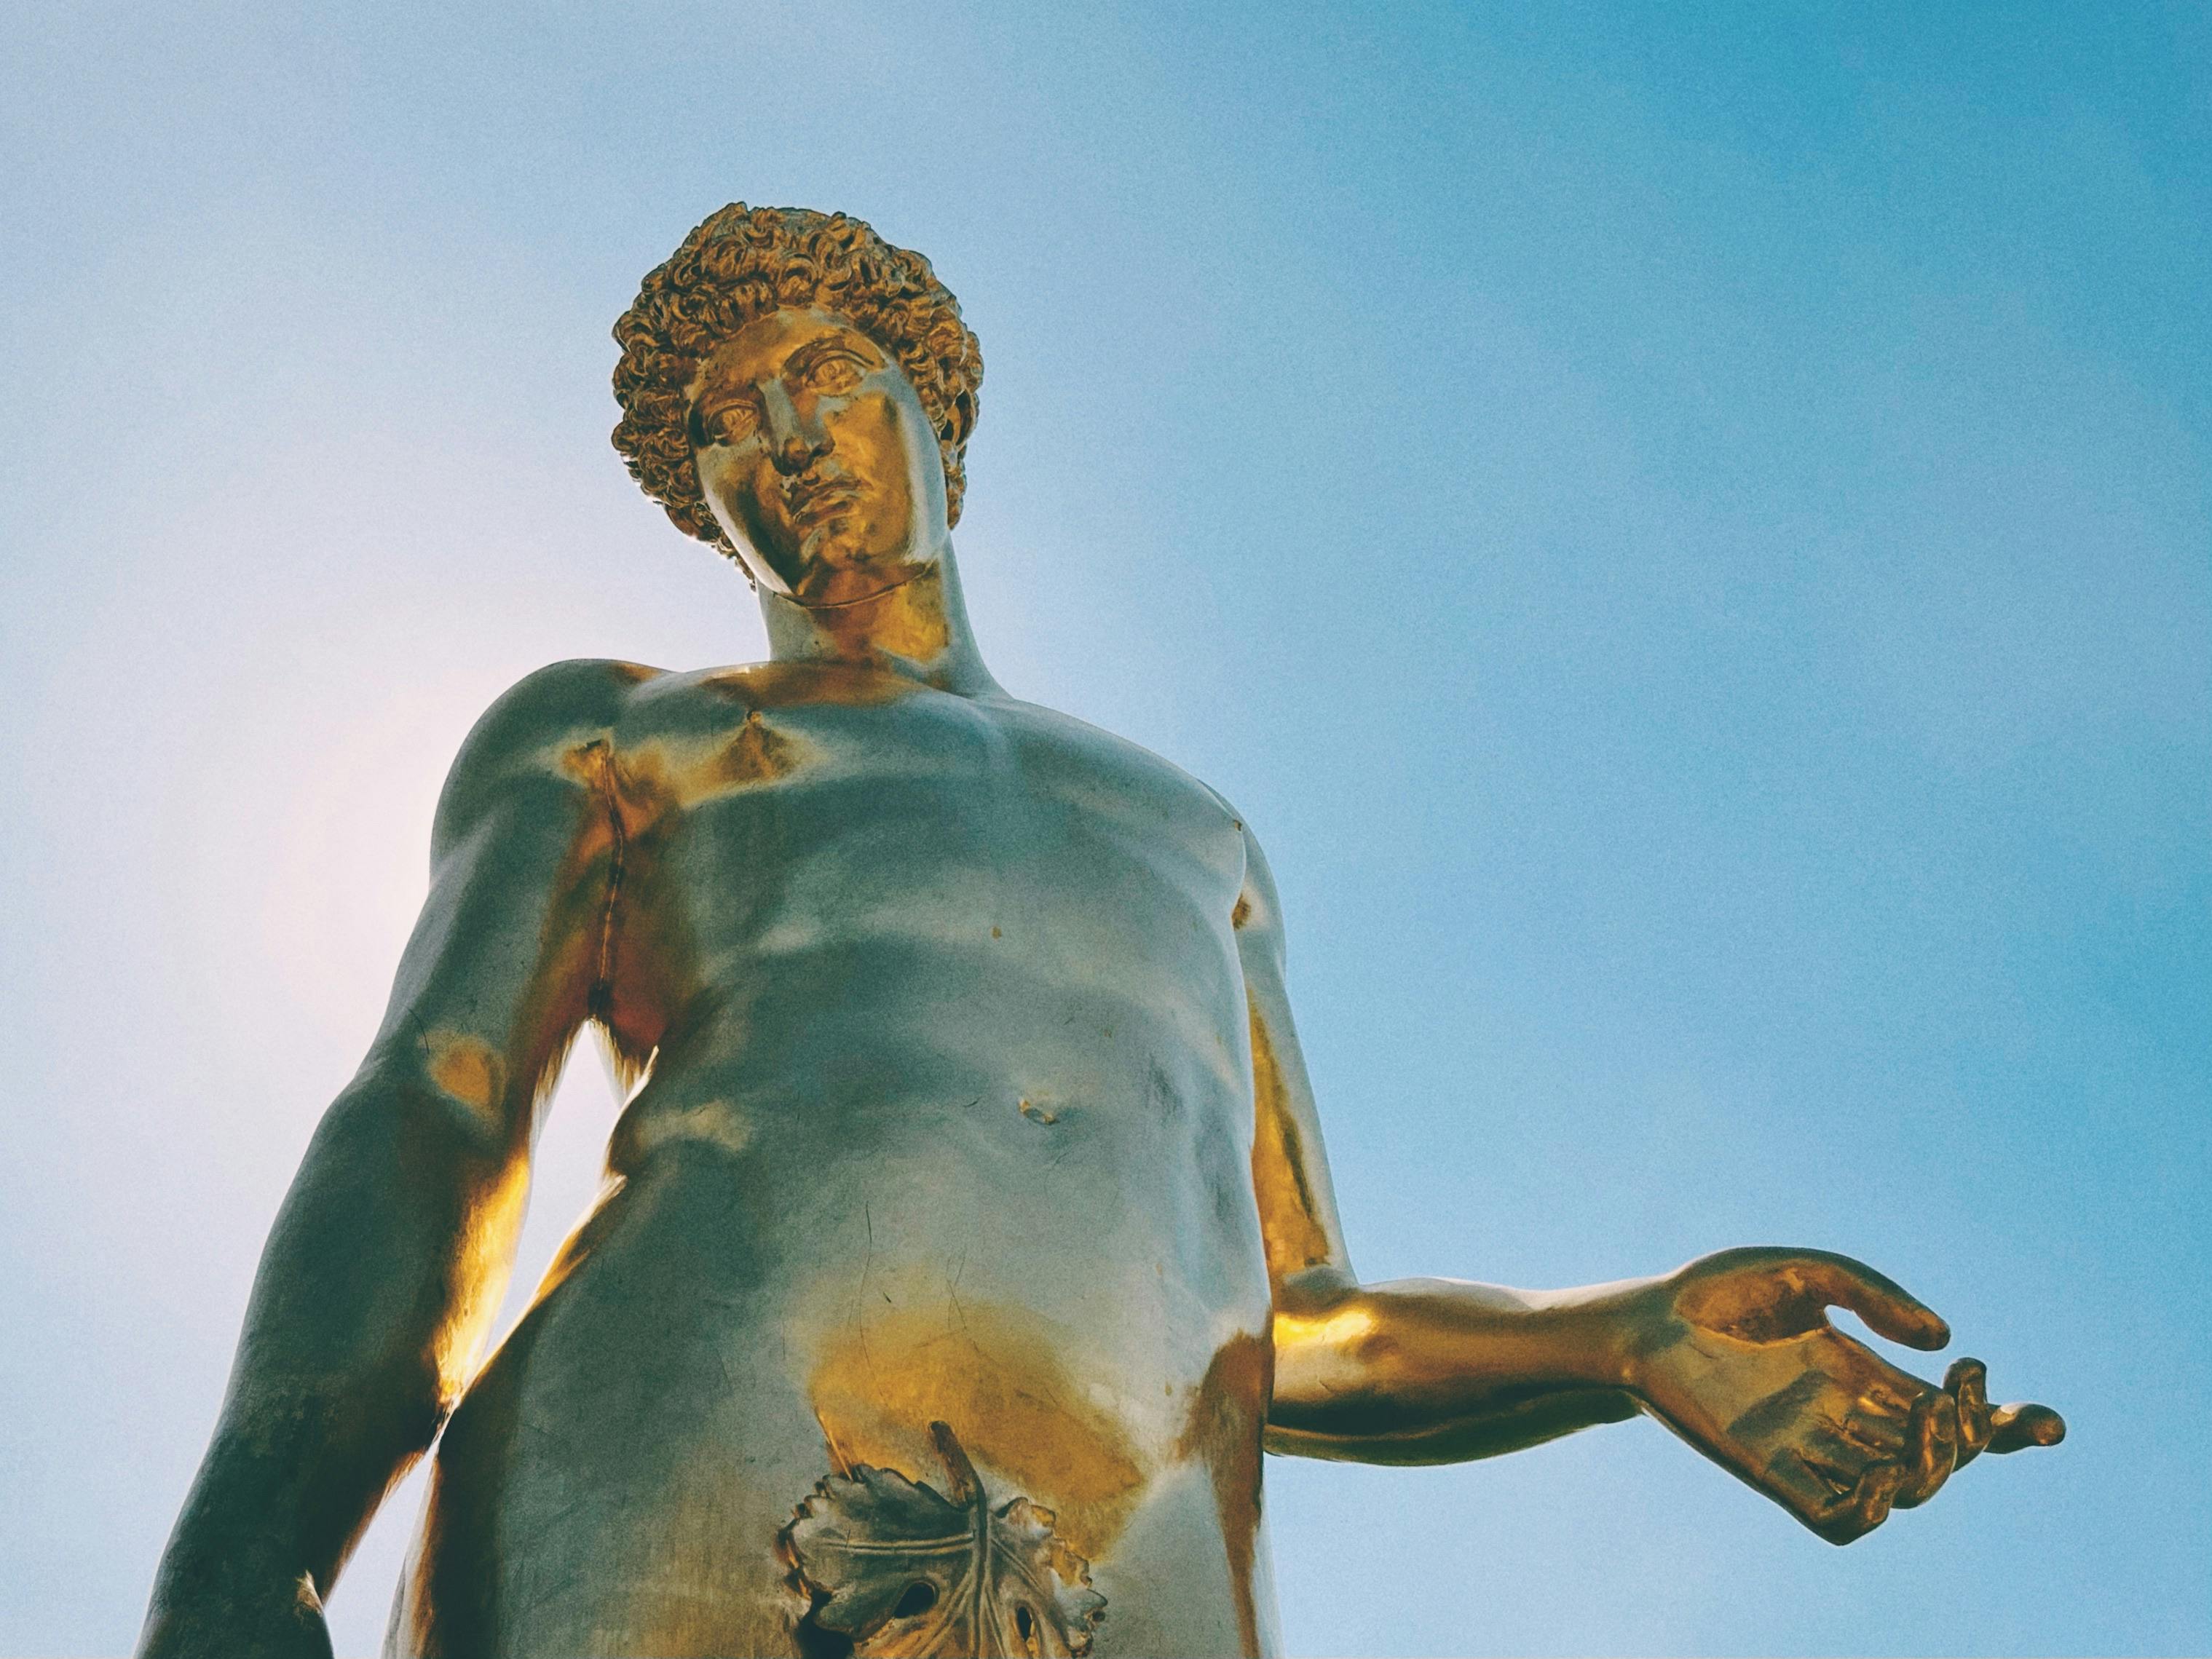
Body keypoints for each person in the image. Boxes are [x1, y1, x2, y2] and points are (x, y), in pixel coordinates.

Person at [139, 205, 2062, 1659]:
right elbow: (434, 1110)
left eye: (825, 378)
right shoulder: (629, 737)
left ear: (928, 407)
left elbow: (1292, 1327)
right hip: (677, 1465)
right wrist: (254, 1532)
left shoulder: (1190, 836)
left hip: (1130, 1558)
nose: (788, 437)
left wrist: (1623, 1341)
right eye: (730, 427)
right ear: (699, 502)